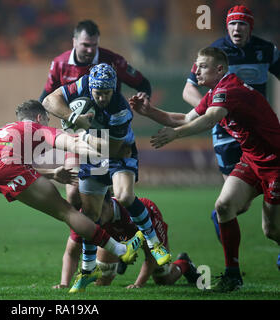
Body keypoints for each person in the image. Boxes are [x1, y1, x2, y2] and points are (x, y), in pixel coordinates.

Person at [0, 100, 144, 295]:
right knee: (66, 212)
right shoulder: (35, 127)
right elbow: (68, 143)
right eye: (47, 119)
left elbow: (11, 163)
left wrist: (51, 173)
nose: (48, 123)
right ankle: (121, 250)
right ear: (39, 117)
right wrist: (104, 148)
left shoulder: (3, 130)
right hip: (6, 166)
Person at [130, 47, 280, 292]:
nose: (196, 70)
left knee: (271, 231)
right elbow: (185, 118)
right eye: (196, 65)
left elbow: (209, 120)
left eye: (202, 66)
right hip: (252, 161)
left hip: (276, 163)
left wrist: (174, 136)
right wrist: (149, 111)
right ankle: (233, 275)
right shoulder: (215, 92)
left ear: (219, 69)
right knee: (223, 206)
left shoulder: (228, 89)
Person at [43, 63, 171, 293]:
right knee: (90, 216)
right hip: (93, 154)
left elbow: (112, 149)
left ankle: (155, 244)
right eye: (98, 93)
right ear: (90, 87)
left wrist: (82, 132)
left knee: (123, 195)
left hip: (118, 153)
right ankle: (87, 271)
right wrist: (73, 117)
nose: (102, 98)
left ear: (114, 90)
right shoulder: (83, 84)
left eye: (107, 93)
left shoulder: (121, 109)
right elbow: (49, 101)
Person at [182, 5, 280, 267]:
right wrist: (213, 106)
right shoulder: (215, 52)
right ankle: (232, 265)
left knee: (248, 210)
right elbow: (188, 89)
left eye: (242, 24)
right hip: (227, 133)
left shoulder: (267, 50)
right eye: (233, 24)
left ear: (251, 27)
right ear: (227, 27)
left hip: (260, 134)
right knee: (234, 204)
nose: (237, 29)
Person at [40, 19, 152, 211]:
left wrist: (144, 95)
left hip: (110, 134)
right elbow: (46, 98)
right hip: (76, 133)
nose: (90, 50)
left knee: (111, 193)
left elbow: (143, 83)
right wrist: (47, 124)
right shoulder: (59, 64)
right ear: (74, 41)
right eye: (85, 45)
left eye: (94, 45)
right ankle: (85, 231)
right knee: (74, 194)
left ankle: (106, 227)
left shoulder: (113, 61)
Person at [53, 194, 200, 289]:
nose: (97, 214)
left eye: (102, 208)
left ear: (111, 204)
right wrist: (64, 284)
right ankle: (122, 255)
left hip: (145, 231)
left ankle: (185, 264)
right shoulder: (86, 216)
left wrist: (138, 284)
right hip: (113, 238)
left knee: (163, 278)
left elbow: (151, 256)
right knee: (103, 281)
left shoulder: (137, 213)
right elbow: (72, 252)